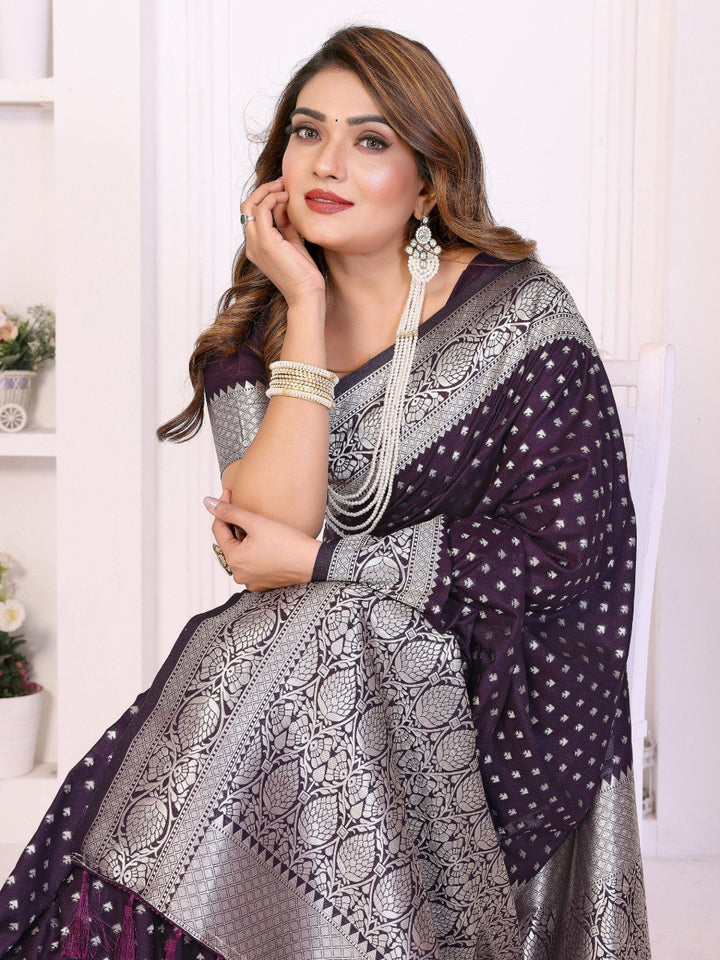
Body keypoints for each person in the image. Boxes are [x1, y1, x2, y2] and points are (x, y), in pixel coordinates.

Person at [0, 23, 651, 960]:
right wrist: (304, 307)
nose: (327, 163)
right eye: (308, 132)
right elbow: (267, 534)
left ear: (427, 183)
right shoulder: (254, 335)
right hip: (318, 678)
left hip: (503, 678)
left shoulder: (521, 316)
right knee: (313, 629)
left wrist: (327, 565)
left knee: (312, 626)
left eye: (370, 139)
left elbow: (560, 553)